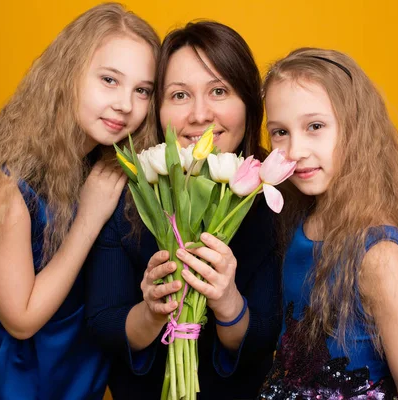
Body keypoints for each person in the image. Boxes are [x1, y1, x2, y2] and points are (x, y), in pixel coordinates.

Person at [0, 3, 159, 399]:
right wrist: (89, 218)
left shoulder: (103, 165)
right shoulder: (4, 182)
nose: (126, 104)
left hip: (80, 378)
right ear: (67, 75)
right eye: (109, 80)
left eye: (142, 90)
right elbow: (20, 320)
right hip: (14, 384)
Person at [85, 21, 282, 400]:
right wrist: (151, 312)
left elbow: (268, 335)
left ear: (248, 101)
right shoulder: (127, 190)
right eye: (179, 95)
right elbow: (102, 323)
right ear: (156, 107)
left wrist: (228, 303)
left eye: (219, 91)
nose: (199, 115)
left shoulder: (273, 194)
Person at [258, 47, 398, 399]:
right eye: (280, 132)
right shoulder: (298, 221)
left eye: (315, 126)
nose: (295, 149)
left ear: (355, 129)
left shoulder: (379, 255)